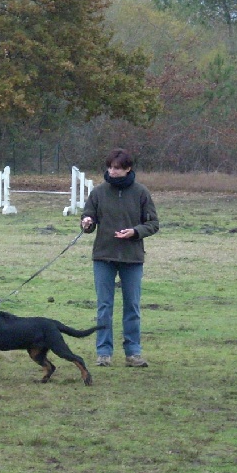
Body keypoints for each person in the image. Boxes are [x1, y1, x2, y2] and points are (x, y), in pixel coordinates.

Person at [81, 148, 159, 367]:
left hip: (132, 257)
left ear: (128, 169)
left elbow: (153, 224)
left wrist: (135, 232)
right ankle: (103, 352)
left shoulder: (141, 192)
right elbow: (88, 219)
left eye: (117, 168)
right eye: (110, 167)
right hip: (103, 256)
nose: (112, 171)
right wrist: (86, 222)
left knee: (132, 306)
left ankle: (133, 352)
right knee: (104, 306)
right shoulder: (98, 192)